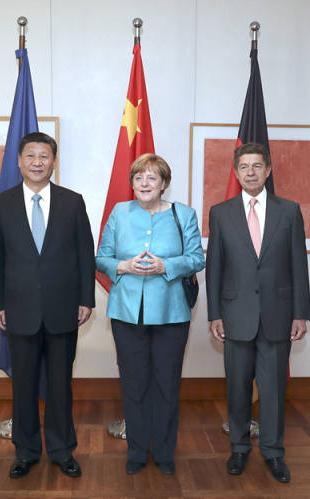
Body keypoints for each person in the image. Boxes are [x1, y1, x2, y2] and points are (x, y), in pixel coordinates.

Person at [0, 132, 95, 479]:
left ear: (53, 162)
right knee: (23, 386)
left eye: (44, 156)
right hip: (18, 310)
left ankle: (62, 450)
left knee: (61, 385)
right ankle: (26, 451)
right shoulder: (2, 204)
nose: (37, 162)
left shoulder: (72, 202)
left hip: (64, 308)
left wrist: (86, 299)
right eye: (30, 156)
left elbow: (85, 254)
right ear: (19, 161)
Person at [206, 142, 310, 483]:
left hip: (278, 316)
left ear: (268, 171)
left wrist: (300, 313)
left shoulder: (289, 211)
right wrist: (214, 314)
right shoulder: (220, 213)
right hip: (235, 315)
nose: (250, 172)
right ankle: (238, 448)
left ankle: (273, 452)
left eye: (256, 166)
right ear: (236, 173)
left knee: (273, 390)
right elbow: (214, 268)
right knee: (237, 388)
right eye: (244, 166)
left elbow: (299, 265)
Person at [96, 153, 205, 475]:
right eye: (138, 177)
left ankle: (165, 453)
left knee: (167, 385)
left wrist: (166, 266)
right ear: (132, 183)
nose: (144, 183)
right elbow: (101, 257)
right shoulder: (119, 212)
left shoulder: (183, 214)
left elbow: (197, 258)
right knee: (134, 384)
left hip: (172, 314)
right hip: (127, 313)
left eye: (152, 177)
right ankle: (137, 452)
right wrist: (123, 265)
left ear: (164, 183)